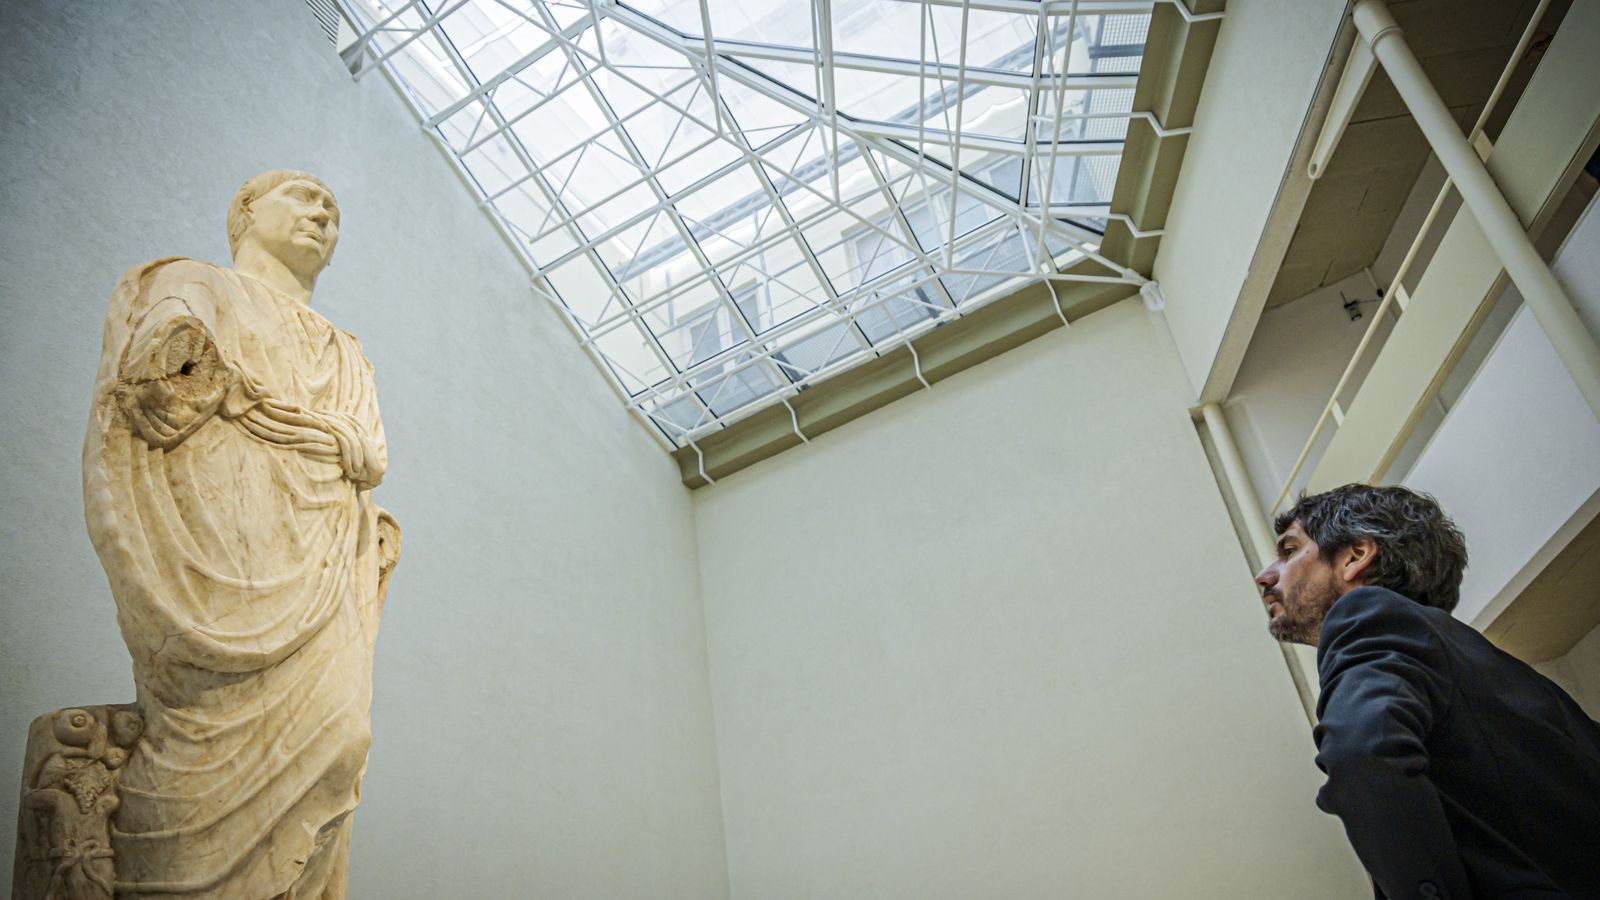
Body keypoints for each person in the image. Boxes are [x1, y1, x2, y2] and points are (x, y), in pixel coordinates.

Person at [84, 170, 399, 899]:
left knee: (342, 739)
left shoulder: (348, 351)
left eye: (334, 211)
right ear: (246, 213)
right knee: (199, 731)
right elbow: (159, 378)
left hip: (320, 561)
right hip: (221, 548)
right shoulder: (192, 281)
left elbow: (372, 454)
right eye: (303, 197)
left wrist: (305, 432)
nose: (323, 214)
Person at [1255, 483, 1600, 899]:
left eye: (1290, 550)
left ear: (1354, 557)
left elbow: (1362, 752)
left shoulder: (1365, 616)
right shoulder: (1516, 683)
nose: (1265, 575)